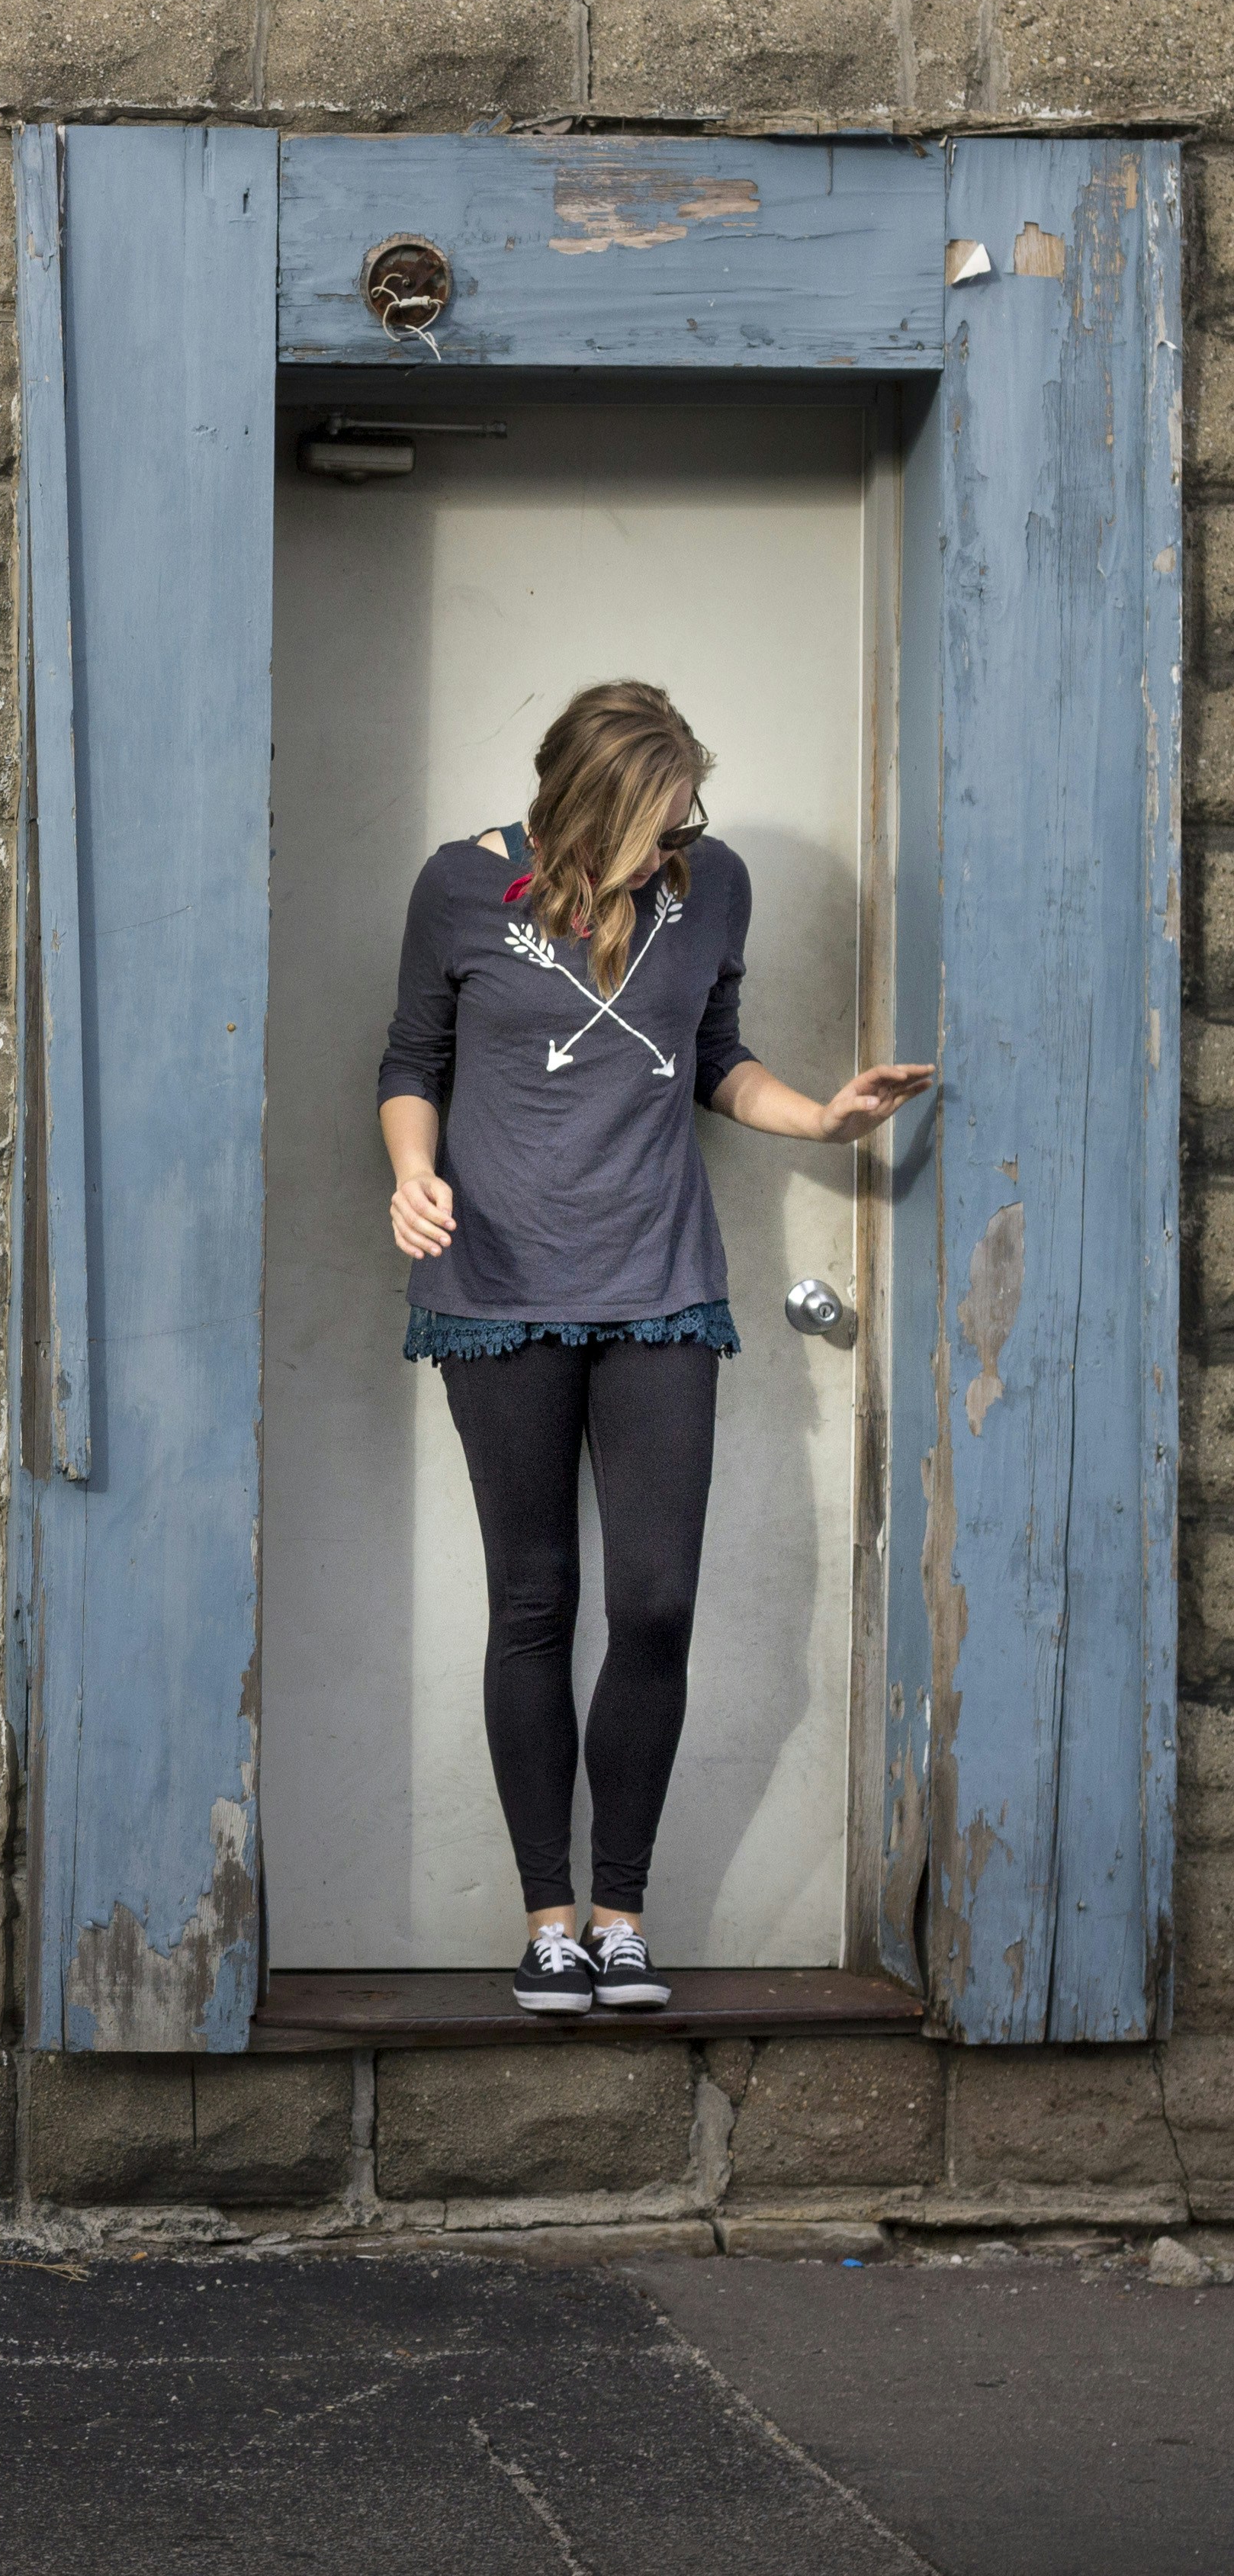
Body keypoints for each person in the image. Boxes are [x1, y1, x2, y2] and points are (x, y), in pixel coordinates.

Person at [375, 681, 932, 2016]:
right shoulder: (458, 888)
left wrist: (824, 1120)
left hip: (660, 1289)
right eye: (657, 824)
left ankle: (621, 1917)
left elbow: (715, 1057)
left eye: (687, 820)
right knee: (532, 1603)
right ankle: (548, 1924)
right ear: (582, 807)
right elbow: (410, 1062)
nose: (677, 844)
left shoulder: (711, 885)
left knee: (657, 1606)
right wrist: (411, 1175)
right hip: (496, 1290)